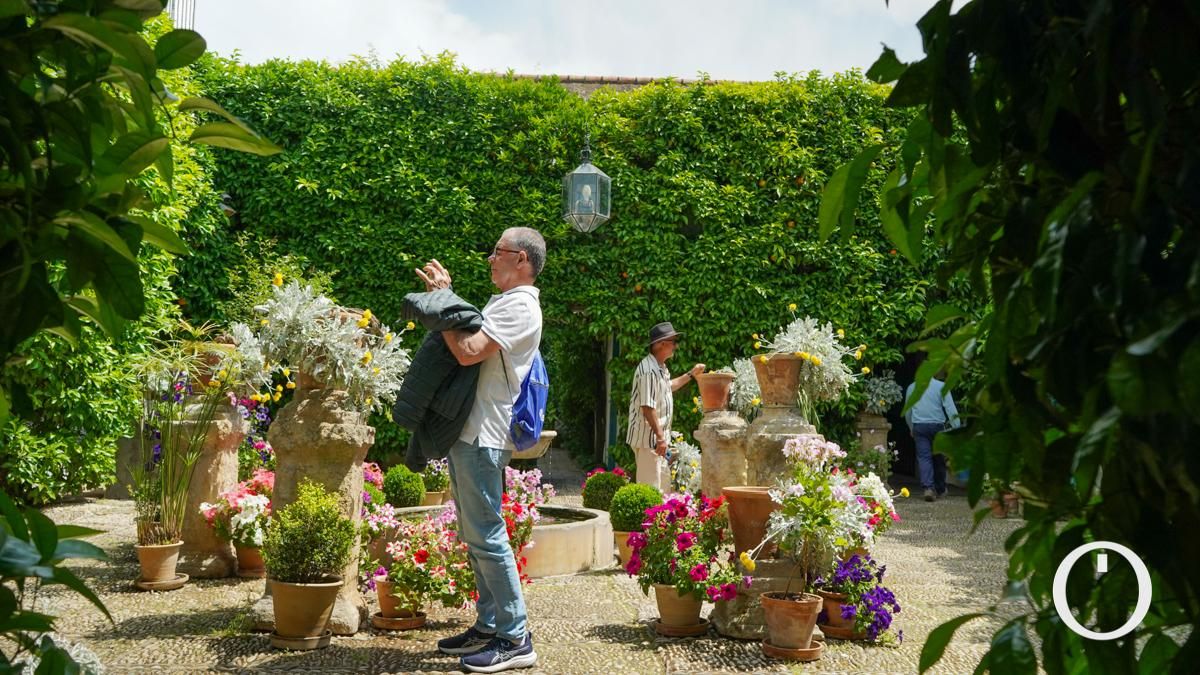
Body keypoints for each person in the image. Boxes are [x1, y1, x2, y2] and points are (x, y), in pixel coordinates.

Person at [416, 227, 544, 673]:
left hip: (484, 435)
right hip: (472, 432)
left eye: (497, 251)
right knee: (476, 538)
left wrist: (444, 300)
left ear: (522, 259)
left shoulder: (520, 305)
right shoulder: (505, 302)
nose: (490, 258)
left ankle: (515, 637)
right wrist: (446, 303)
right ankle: (490, 625)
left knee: (487, 536)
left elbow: (469, 351)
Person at [625, 322, 704, 492]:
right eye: (673, 341)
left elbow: (668, 387)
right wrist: (660, 438)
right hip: (649, 441)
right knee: (650, 490)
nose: (676, 346)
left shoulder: (660, 367)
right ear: (661, 344)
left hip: (658, 441)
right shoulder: (648, 371)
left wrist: (691, 374)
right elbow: (647, 407)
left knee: (663, 489)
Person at [904, 372, 962, 502]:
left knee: (924, 457)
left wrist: (911, 427)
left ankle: (928, 488)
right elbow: (951, 409)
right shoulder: (941, 386)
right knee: (939, 458)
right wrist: (956, 428)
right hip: (937, 426)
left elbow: (908, 411)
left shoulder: (912, 387)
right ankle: (940, 489)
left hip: (919, 426)